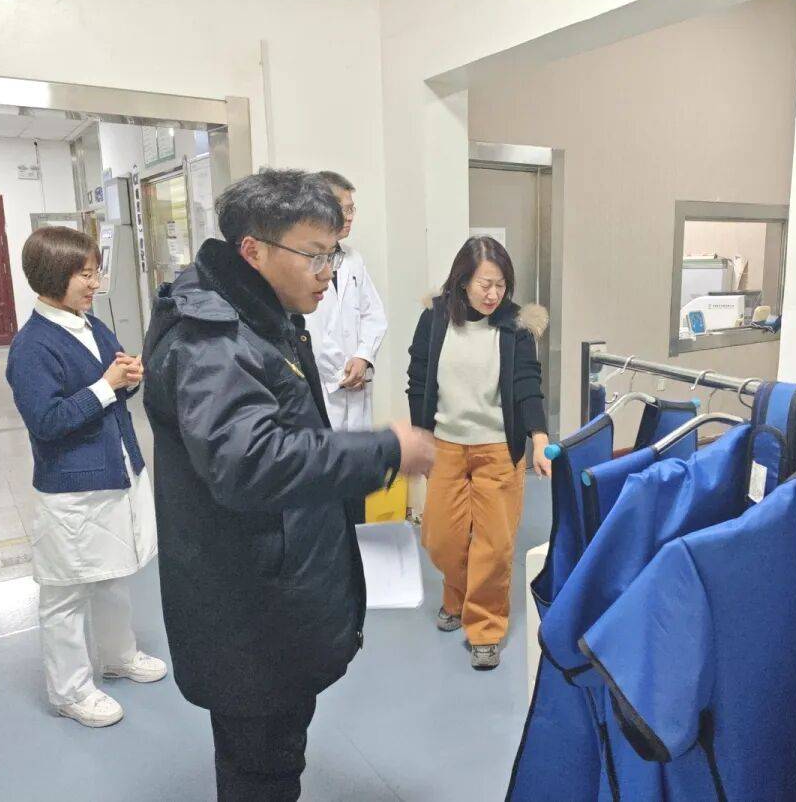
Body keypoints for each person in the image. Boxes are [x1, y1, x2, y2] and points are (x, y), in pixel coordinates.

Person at [141, 168, 434, 801]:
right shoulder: (214, 340)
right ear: (254, 250)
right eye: (314, 255)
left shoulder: (260, 314)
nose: (327, 272)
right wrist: (385, 450)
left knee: (275, 751)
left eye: (333, 254)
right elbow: (250, 461)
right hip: (249, 605)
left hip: (270, 584)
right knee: (261, 765)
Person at [5, 226, 166, 729]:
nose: (95, 284)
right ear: (53, 276)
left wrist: (128, 377)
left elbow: (114, 386)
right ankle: (70, 690)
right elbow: (46, 421)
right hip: (72, 486)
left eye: (96, 273)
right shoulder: (32, 346)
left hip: (114, 471)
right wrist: (106, 385)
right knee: (66, 592)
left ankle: (118, 656)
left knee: (111, 573)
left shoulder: (90, 324)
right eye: (86, 275)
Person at [407, 236, 552, 671]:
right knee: (441, 538)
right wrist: (420, 436)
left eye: (501, 285)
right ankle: (457, 594)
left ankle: (485, 628)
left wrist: (539, 436)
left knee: (494, 545)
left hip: (497, 448)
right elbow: (418, 378)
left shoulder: (514, 326)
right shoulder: (435, 318)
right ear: (463, 281)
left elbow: (526, 382)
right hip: (446, 446)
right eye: (485, 284)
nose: (493, 295)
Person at [309, 170, 388, 525]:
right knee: (324, 498)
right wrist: (339, 372)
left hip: (355, 391)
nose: (351, 216)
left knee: (356, 494)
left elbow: (374, 315)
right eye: (344, 208)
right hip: (323, 392)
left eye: (352, 208)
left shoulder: (353, 260)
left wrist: (363, 356)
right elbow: (308, 330)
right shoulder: (304, 262)